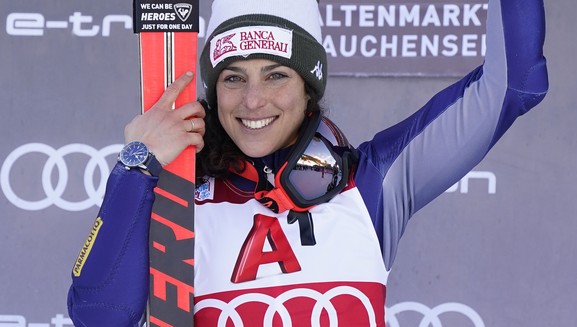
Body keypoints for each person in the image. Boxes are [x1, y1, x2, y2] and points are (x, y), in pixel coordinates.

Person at [67, 0, 549, 325]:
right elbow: (98, 313)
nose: (252, 101)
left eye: (275, 75)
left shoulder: (372, 184)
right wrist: (135, 166)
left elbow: (515, 84)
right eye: (233, 78)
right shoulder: (174, 192)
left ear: (308, 88)